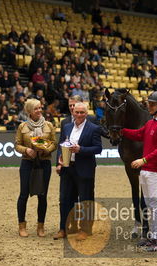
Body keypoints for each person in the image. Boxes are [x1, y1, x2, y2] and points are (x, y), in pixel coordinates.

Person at [120, 91, 157, 252]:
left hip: (155, 171)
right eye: (149, 103)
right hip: (147, 171)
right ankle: (153, 236)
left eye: (152, 104)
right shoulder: (151, 123)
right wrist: (122, 131)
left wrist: (143, 160)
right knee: (150, 205)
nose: (149, 106)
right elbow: (138, 134)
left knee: (155, 205)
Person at [53, 95, 105, 239]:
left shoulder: (93, 128)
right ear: (73, 112)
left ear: (86, 113)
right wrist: (59, 160)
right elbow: (61, 144)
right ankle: (63, 228)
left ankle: (85, 230)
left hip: (85, 169)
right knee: (64, 200)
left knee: (85, 200)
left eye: (82, 112)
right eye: (77, 112)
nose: (79, 115)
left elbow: (98, 148)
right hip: (67, 168)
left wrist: (81, 149)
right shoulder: (67, 126)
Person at [14, 99, 56, 237]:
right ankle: (22, 226)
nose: (39, 110)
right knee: (23, 194)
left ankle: (40, 226)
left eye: (40, 108)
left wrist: (46, 150)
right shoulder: (22, 126)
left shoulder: (49, 125)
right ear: (29, 111)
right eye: (36, 108)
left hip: (44, 163)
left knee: (42, 195)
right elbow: (17, 145)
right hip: (27, 162)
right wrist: (26, 150)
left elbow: (54, 144)